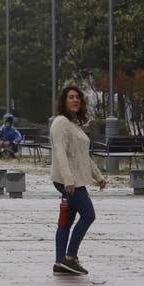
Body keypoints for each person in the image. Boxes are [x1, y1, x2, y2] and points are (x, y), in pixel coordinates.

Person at [49, 85, 106, 276]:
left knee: (66, 221)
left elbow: (82, 156)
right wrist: (68, 181)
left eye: (78, 97)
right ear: (64, 101)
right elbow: (60, 154)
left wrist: (98, 176)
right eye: (71, 97)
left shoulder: (73, 124)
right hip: (68, 180)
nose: (75, 100)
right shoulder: (60, 123)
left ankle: (60, 262)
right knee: (89, 214)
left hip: (76, 180)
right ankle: (70, 257)